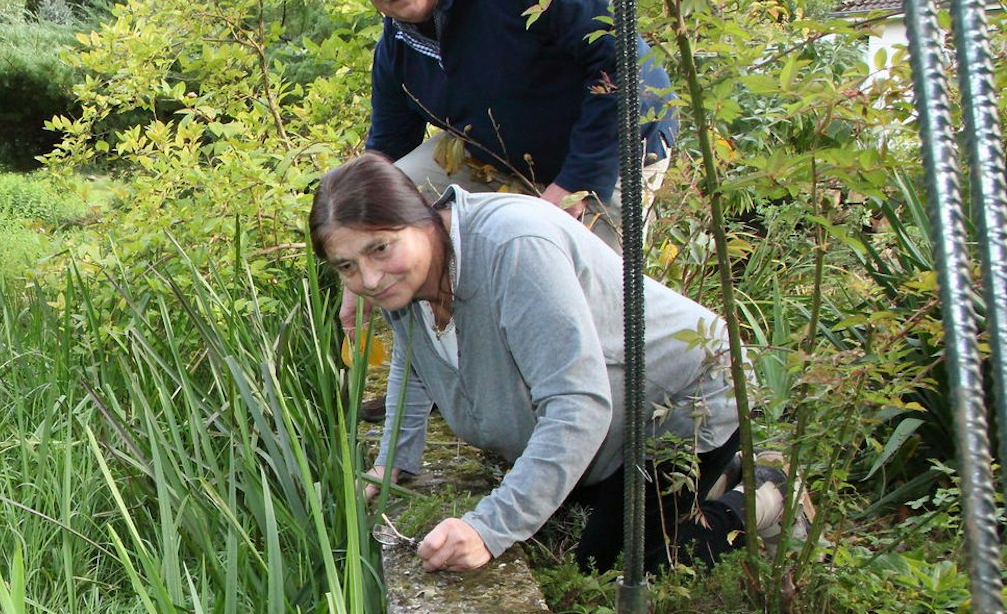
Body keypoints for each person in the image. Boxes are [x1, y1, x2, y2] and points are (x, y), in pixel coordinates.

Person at [310, 154, 798, 573]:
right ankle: (719, 474)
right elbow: (413, 364)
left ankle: (765, 499)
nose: (369, 279)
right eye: (347, 266)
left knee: (612, 571)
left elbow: (577, 404)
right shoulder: (408, 279)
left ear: (421, 216)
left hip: (683, 401)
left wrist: (487, 528)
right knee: (571, 506)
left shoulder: (513, 247)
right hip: (616, 415)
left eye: (380, 248)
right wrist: (394, 458)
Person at [345, 0, 677, 255]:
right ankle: (435, 305)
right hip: (504, 163)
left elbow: (622, 62)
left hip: (616, 147)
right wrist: (357, 247)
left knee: (580, 283)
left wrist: (574, 184)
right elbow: (388, 151)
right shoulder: (395, 49)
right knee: (396, 195)